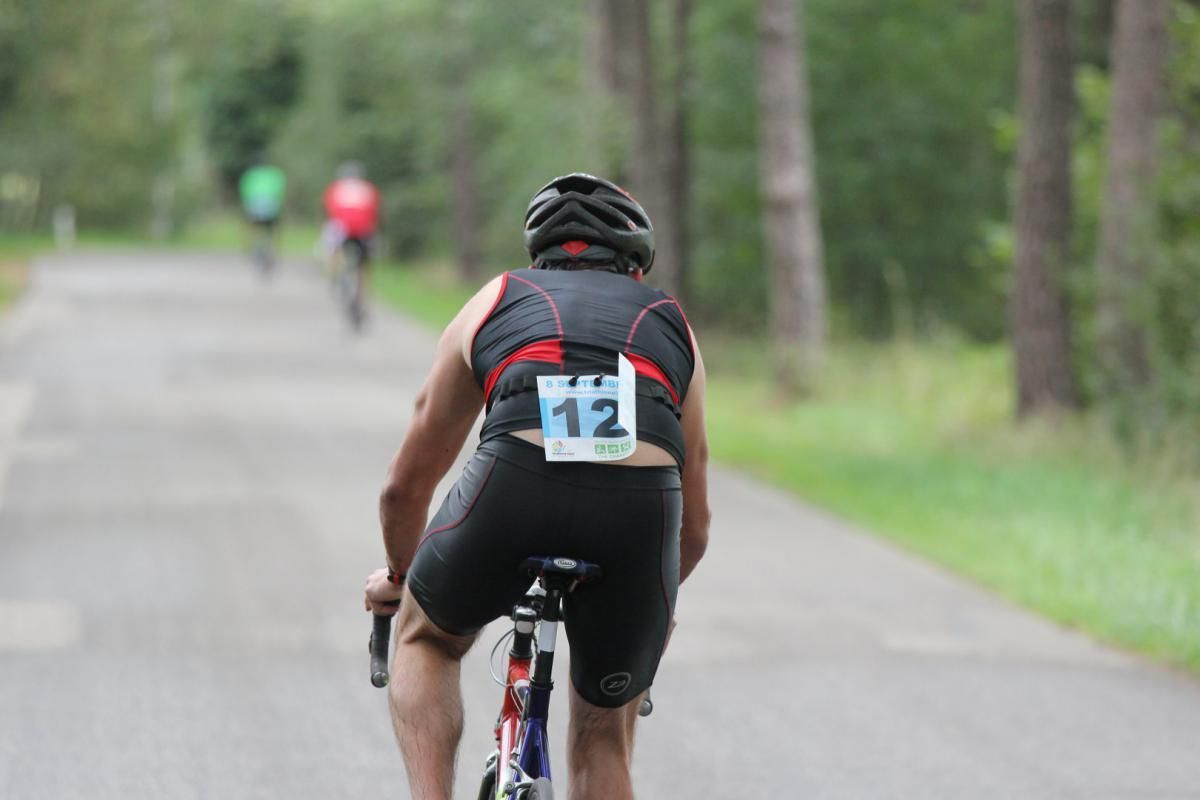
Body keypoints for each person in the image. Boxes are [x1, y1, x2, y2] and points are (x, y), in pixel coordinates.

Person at [363, 173, 710, 800]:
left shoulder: (497, 299)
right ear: (634, 268)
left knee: (428, 636)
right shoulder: (671, 324)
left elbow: (403, 486)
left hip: (512, 487)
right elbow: (697, 524)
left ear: (536, 257)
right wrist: (652, 602)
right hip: (639, 515)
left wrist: (398, 574)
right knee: (603, 732)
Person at [322, 161, 381, 324]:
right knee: (364, 266)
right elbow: (375, 212)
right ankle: (363, 300)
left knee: (332, 249)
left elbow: (329, 211)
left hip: (341, 228)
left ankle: (334, 278)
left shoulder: (336, 188)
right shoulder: (368, 188)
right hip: (363, 230)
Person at [237, 159, 286, 268]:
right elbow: (280, 191)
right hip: (272, 206)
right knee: (274, 230)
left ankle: (248, 246)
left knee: (251, 227)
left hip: (254, 207)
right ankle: (276, 250)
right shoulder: (274, 174)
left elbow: (244, 192)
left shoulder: (250, 175)